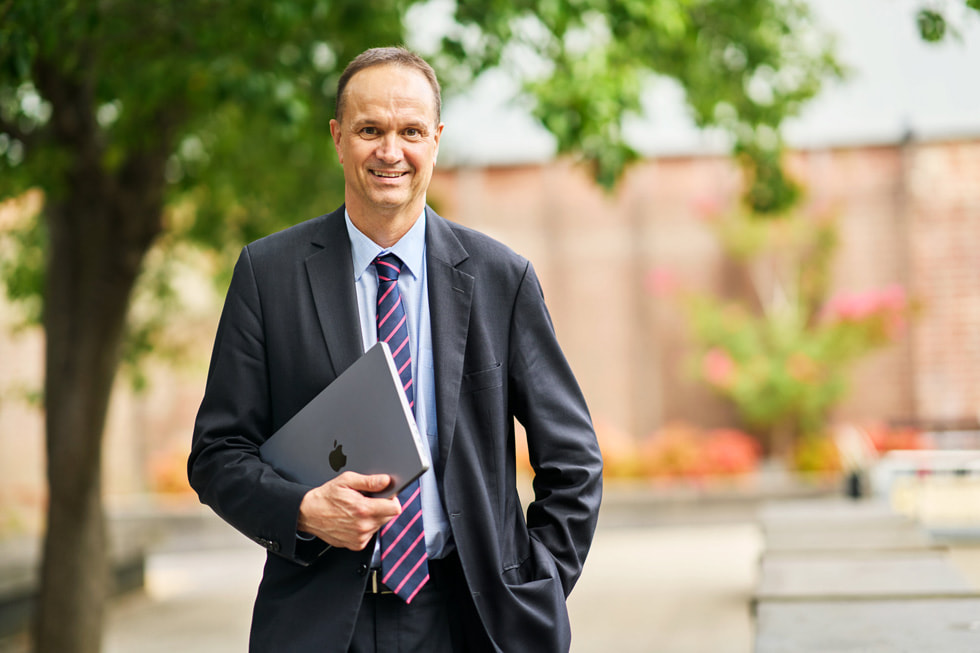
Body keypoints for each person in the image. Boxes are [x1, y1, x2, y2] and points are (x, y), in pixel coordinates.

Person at [188, 46, 603, 653]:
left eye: (410, 131)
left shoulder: (500, 278)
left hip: (470, 622)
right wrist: (302, 509)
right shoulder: (267, 275)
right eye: (370, 130)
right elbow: (217, 453)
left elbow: (573, 463)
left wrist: (534, 584)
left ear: (435, 140)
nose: (390, 151)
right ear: (337, 138)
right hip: (320, 623)